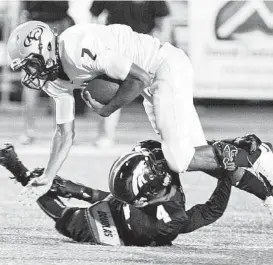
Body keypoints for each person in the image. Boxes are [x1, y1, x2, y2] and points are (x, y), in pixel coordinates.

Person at [6, 22, 273, 210]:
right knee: (198, 156)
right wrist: (50, 175)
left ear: (46, 49)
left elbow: (140, 77)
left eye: (30, 63)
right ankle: (266, 193)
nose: (29, 74)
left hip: (162, 66)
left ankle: (255, 151)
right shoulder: (54, 81)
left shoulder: (78, 46)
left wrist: (107, 109)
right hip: (151, 84)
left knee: (179, 158)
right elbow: (64, 133)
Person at [0, 141, 237, 246]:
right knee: (65, 213)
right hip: (123, 232)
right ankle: (17, 169)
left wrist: (78, 190)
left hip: (127, 216)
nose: (158, 164)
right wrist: (227, 174)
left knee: (64, 214)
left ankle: (16, 167)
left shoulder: (144, 196)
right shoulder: (171, 219)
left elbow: (117, 199)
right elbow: (211, 210)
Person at [89, 0, 170, 148]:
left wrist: (160, 44)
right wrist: (98, 38)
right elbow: (94, 13)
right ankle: (105, 136)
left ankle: (170, 137)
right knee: (109, 90)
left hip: (144, 48)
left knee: (160, 95)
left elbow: (163, 19)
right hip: (116, 47)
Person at [18, 1, 75, 145]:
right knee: (57, 82)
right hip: (55, 25)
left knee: (33, 83)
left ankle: (29, 132)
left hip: (36, 26)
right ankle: (61, 133)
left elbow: (22, 7)